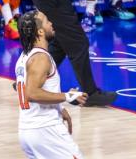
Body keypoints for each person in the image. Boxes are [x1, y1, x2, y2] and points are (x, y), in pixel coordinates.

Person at [15, 10, 87, 158]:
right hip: (46, 131)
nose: (52, 23)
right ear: (40, 32)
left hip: (28, 130)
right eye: (48, 22)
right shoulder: (41, 58)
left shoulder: (24, 56)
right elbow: (31, 93)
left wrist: (59, 108)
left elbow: (21, 86)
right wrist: (67, 96)